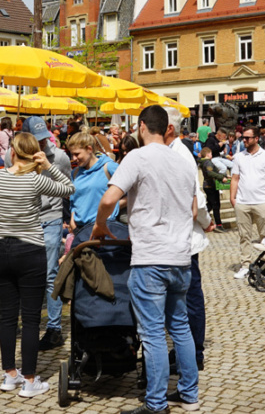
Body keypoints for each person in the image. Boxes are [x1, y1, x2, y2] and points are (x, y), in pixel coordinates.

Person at [92, 104, 199, 414]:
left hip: (151, 257)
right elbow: (192, 211)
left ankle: (156, 404)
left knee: (152, 333)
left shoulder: (137, 156)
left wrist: (100, 225)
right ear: (166, 128)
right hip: (181, 256)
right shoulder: (182, 161)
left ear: (141, 126)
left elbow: (109, 198)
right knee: (180, 327)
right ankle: (189, 395)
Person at [0, 132, 74, 398]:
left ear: (12, 152)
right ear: (34, 153)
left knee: (9, 316)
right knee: (32, 317)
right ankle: (30, 380)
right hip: (29, 250)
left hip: (1, 250)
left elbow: (1, 208)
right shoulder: (36, 180)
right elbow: (69, 188)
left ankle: (9, 375)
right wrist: (48, 167)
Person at [163, 106, 210, 372]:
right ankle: (185, 349)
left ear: (169, 128)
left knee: (189, 296)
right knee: (179, 297)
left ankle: (194, 352)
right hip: (175, 237)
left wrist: (206, 222)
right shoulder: (171, 152)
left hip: (185, 239)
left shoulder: (180, 154)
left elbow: (197, 200)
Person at [21, 116, 72, 352]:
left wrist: (69, 218)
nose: (42, 144)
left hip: (50, 219)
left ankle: (54, 329)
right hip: (26, 220)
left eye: (44, 139)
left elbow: (69, 187)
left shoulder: (59, 157)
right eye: (36, 139)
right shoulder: (17, 156)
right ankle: (20, 322)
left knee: (51, 274)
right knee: (24, 274)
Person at [230, 125, 265, 280]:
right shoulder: (239, 156)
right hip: (242, 202)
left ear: (256, 138)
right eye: (243, 137)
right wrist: (233, 198)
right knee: (244, 236)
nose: (244, 140)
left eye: (247, 137)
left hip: (262, 201)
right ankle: (245, 265)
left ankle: (264, 265)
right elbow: (235, 178)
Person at [66, 132, 118, 231]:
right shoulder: (75, 172)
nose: (74, 158)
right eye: (72, 154)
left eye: (77, 154)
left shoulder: (109, 167)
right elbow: (74, 200)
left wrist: (113, 207)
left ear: (89, 149)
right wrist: (72, 221)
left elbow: (129, 194)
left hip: (104, 227)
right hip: (79, 229)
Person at [198, 146, 226, 230]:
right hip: (210, 185)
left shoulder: (205, 162)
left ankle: (201, 219)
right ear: (207, 154)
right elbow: (210, 173)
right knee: (215, 205)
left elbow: (214, 172)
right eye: (210, 153)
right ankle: (218, 225)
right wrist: (221, 177)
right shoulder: (208, 163)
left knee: (209, 205)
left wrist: (224, 175)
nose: (211, 155)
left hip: (208, 185)